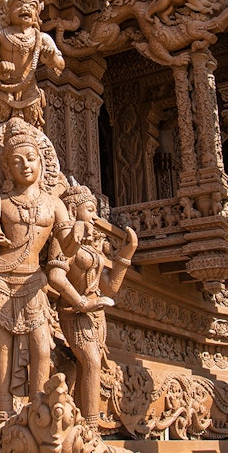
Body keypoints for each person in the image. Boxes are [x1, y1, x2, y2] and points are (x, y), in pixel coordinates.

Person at [0, 118, 74, 425]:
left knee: (42, 347)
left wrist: (77, 234)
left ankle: (38, 407)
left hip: (33, 281)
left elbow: (65, 247)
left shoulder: (55, 204)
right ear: (5, 168)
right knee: (1, 349)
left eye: (31, 159)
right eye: (17, 162)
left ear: (42, 162)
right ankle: (3, 413)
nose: (25, 166)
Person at [47, 183, 137, 433]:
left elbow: (109, 289)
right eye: (90, 209)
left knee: (84, 364)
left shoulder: (92, 245)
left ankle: (76, 423)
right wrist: (81, 303)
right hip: (74, 312)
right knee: (92, 362)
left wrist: (126, 254)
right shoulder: (64, 239)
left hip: (97, 314)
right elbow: (55, 276)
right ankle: (90, 428)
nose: (95, 216)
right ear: (73, 210)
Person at [0, 0, 65, 129]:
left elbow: (60, 64)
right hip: (3, 91)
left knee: (31, 131)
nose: (25, 8)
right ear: (7, 9)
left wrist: (51, 59)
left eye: (31, 6)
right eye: (18, 5)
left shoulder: (42, 37)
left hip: (29, 92)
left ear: (38, 12)